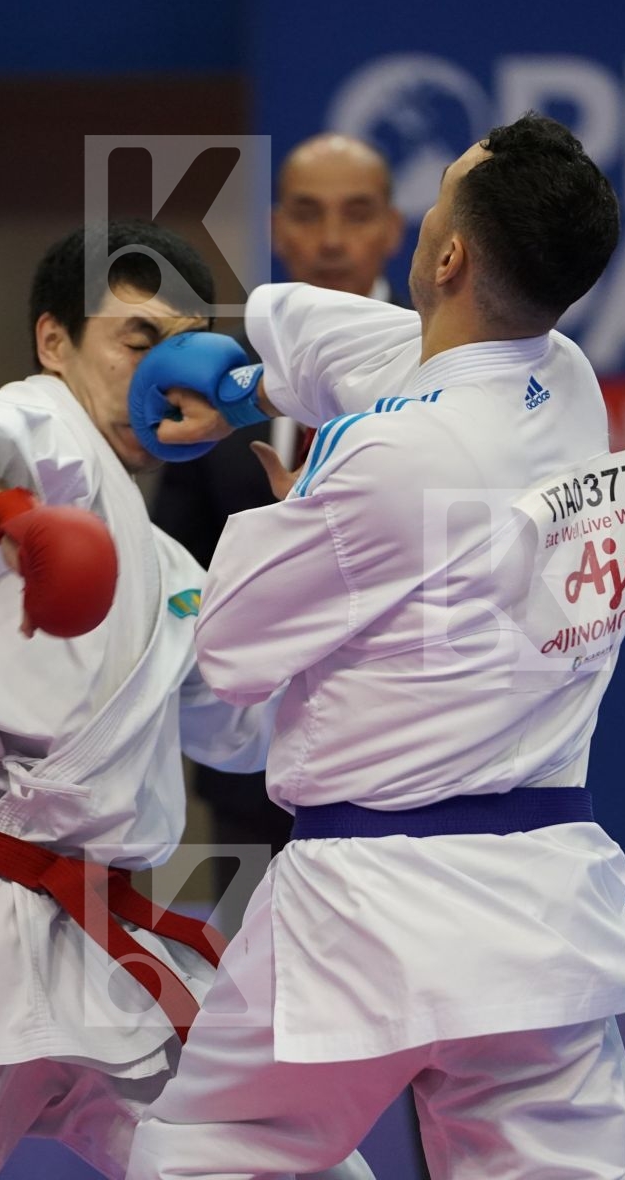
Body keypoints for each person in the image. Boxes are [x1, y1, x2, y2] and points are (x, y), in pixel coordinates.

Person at [122, 114, 625, 1178]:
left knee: (210, 1154)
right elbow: (389, 352)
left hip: (369, 905)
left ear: (445, 255)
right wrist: (250, 388)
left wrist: (309, 516)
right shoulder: (569, 381)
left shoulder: (387, 461)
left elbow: (235, 654)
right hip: (541, 906)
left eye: (436, 195)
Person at [0, 220, 373, 1180]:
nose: (161, 377)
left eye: (180, 349)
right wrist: (21, 525)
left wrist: (309, 558)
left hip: (100, 929)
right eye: (137, 342)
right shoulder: (26, 424)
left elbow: (245, 739)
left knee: (284, 1163)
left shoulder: (172, 566)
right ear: (54, 341)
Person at [152, 133, 406, 926]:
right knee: (249, 1017)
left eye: (355, 214)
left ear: (394, 231)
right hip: (246, 777)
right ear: (277, 227)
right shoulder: (214, 382)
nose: (332, 239)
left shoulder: (448, 372)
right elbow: (174, 567)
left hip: (406, 764)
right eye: (309, 213)